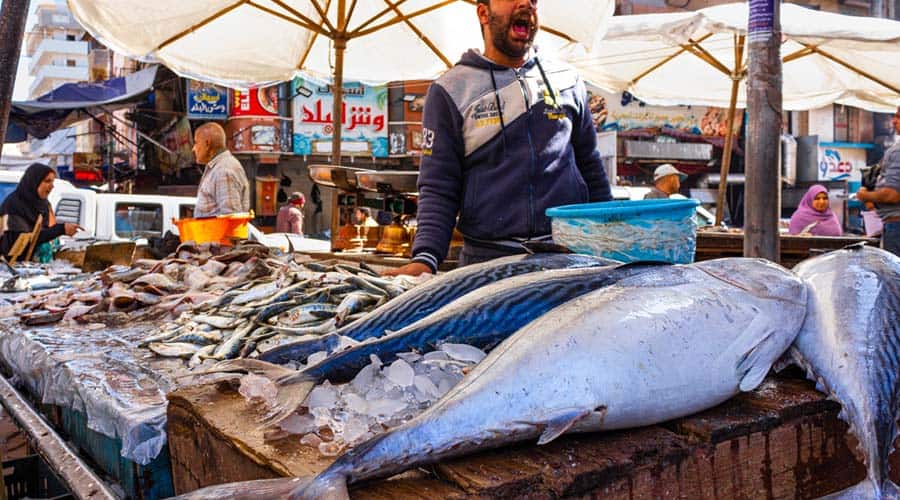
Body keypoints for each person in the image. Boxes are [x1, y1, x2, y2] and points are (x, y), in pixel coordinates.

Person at [384, 0, 612, 276]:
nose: (527, 3)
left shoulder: (568, 81)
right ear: (483, 13)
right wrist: (426, 257)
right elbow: (438, 185)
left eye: (534, 0)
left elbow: (590, 168)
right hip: (486, 262)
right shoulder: (450, 90)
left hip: (568, 258)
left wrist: (610, 237)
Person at [0, 163, 80, 260]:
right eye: (47, 181)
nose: (52, 186)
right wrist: (60, 229)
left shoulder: (43, 205)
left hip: (38, 266)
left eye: (52, 182)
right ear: (34, 182)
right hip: (11, 267)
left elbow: (46, 233)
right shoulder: (14, 205)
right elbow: (23, 241)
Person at [856, 106, 900, 255]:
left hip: (897, 225)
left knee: (894, 277)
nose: (894, 121)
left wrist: (864, 195)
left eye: (899, 117)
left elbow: (892, 195)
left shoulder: (897, 151)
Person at [191, 122, 250, 218]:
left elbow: (231, 219)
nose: (194, 149)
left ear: (207, 143)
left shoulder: (224, 170)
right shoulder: (217, 167)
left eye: (196, 142)